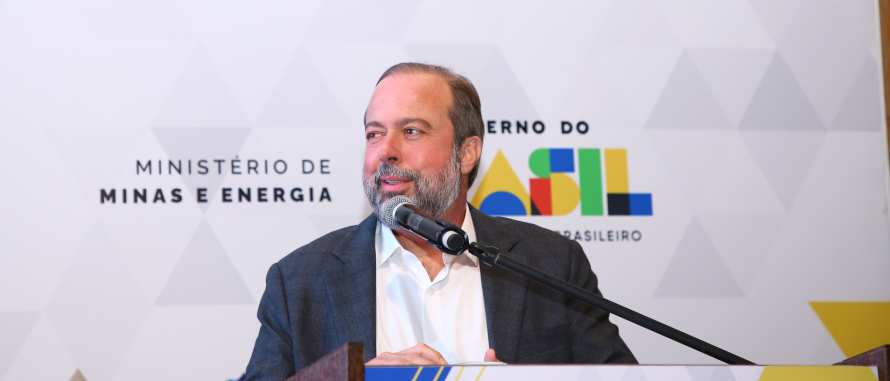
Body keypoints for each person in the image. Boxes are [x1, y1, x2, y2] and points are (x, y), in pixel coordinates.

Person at [244, 63, 635, 380]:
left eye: (411, 131)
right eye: (374, 133)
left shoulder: (551, 263)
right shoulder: (300, 279)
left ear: (467, 153)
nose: (385, 151)